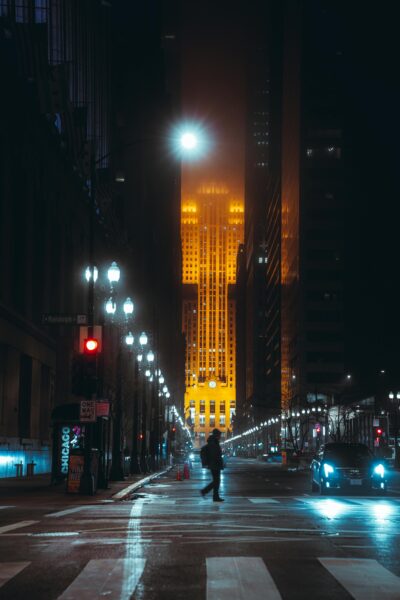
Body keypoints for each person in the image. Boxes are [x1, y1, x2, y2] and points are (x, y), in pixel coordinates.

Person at [200, 428, 224, 502]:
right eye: (220, 435)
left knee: (216, 481)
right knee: (216, 481)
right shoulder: (213, 443)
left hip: (215, 464)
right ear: (217, 435)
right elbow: (214, 454)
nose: (220, 436)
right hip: (215, 464)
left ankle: (215, 496)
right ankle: (205, 491)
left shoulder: (213, 442)